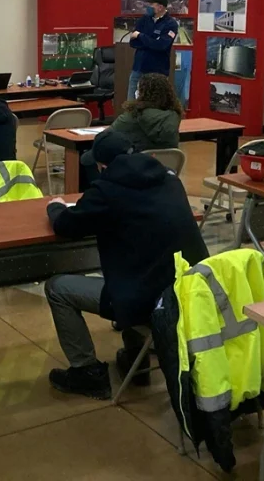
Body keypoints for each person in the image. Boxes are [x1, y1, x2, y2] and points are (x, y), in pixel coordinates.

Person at [43, 131, 209, 399]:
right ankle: (136, 359)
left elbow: (66, 225)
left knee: (58, 288)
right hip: (193, 292)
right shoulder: (169, 178)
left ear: (103, 166)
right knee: (137, 268)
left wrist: (55, 207)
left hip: (151, 302)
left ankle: (86, 372)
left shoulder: (106, 191)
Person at [111, 72, 182, 151]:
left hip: (135, 162)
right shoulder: (173, 117)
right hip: (165, 163)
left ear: (143, 94)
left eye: (138, 89)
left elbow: (104, 137)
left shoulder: (132, 116)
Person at [128, 0, 178, 100]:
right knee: (131, 105)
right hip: (138, 69)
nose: (148, 6)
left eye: (151, 4)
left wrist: (141, 36)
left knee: (155, 104)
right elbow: (133, 42)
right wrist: (151, 41)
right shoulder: (144, 20)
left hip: (158, 72)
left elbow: (161, 45)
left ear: (160, 7)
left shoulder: (171, 24)